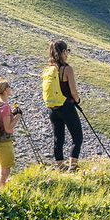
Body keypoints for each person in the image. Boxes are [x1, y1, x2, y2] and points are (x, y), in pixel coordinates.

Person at [42, 39, 84, 171]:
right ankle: (73, 167)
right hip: (66, 107)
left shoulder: (49, 70)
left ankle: (60, 167)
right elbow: (73, 92)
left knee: (58, 139)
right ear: (64, 52)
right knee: (77, 137)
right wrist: (77, 100)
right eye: (67, 51)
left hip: (52, 109)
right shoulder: (67, 69)